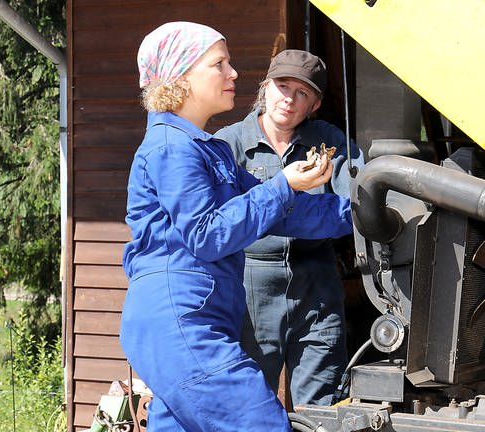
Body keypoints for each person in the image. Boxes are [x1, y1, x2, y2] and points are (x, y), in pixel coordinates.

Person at [118, 22, 353, 431]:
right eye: (219, 64)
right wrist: (284, 184)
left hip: (198, 318)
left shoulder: (208, 150)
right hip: (182, 321)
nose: (234, 74)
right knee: (260, 423)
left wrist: (363, 213)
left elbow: (282, 212)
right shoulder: (173, 148)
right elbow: (207, 234)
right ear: (183, 76)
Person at [214, 49, 365, 406]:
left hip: (317, 286)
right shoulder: (229, 143)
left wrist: (270, 213)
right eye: (283, 86)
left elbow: (359, 206)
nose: (289, 99)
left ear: (315, 104)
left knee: (322, 407)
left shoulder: (330, 144)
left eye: (302, 93)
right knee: (248, 404)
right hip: (249, 285)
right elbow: (222, 220)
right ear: (266, 87)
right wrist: (313, 212)